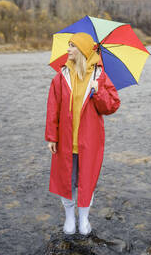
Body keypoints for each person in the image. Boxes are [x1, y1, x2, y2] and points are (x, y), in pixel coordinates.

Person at [45, 32, 120, 235]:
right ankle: (70, 218)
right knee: (66, 181)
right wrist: (52, 136)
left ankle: (84, 219)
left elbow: (112, 106)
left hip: (90, 142)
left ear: (83, 50)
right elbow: (53, 108)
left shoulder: (100, 76)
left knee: (87, 181)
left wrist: (99, 91)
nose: (68, 49)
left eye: (72, 46)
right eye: (68, 45)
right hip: (66, 142)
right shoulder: (61, 77)